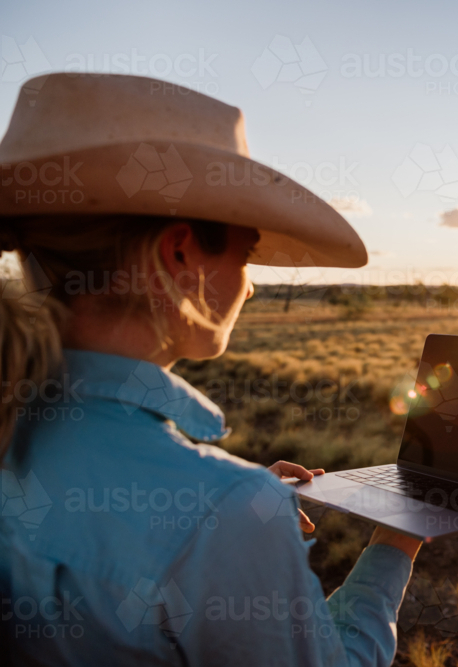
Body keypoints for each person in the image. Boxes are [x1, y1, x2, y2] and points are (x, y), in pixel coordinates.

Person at [0, 73, 421, 665]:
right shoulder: (222, 513)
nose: (249, 290)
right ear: (179, 256)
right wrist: (395, 540)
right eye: (246, 254)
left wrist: (227, 512)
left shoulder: (14, 419)